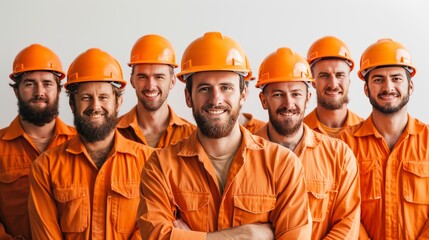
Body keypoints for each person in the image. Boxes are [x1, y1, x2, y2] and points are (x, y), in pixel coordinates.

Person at [137, 32, 311, 239]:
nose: (215, 99)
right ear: (188, 97)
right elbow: (156, 235)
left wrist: (190, 236)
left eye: (226, 88)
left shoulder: (282, 165)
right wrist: (244, 235)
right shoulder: (160, 167)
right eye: (204, 88)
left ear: (243, 95)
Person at [28, 48, 154, 239]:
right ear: (72, 104)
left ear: (118, 102)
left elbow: (151, 231)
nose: (95, 106)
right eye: (86, 97)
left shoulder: (150, 162)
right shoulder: (46, 168)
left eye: (103, 97)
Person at [255, 47, 360, 239]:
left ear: (308, 98)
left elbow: (347, 226)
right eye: (278, 94)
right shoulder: (244, 155)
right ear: (263, 100)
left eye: (296, 94)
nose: (289, 103)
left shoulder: (340, 156)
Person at [338, 38, 429, 239]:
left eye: (396, 78)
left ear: (410, 86)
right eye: (378, 79)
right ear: (366, 89)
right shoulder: (344, 145)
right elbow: (342, 211)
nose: (388, 87)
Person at [0, 44, 76, 240]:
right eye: (29, 83)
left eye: (47, 83)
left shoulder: (80, 144)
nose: (39, 91)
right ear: (17, 91)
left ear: (59, 90)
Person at [117, 34, 195, 148]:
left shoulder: (192, 136)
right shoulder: (111, 134)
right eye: (142, 77)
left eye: (159, 77)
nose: (150, 86)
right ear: (132, 80)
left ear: (172, 81)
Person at [304, 36, 363, 138]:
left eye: (340, 75)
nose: (333, 85)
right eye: (324, 76)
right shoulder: (300, 132)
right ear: (313, 81)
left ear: (348, 80)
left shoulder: (364, 131)